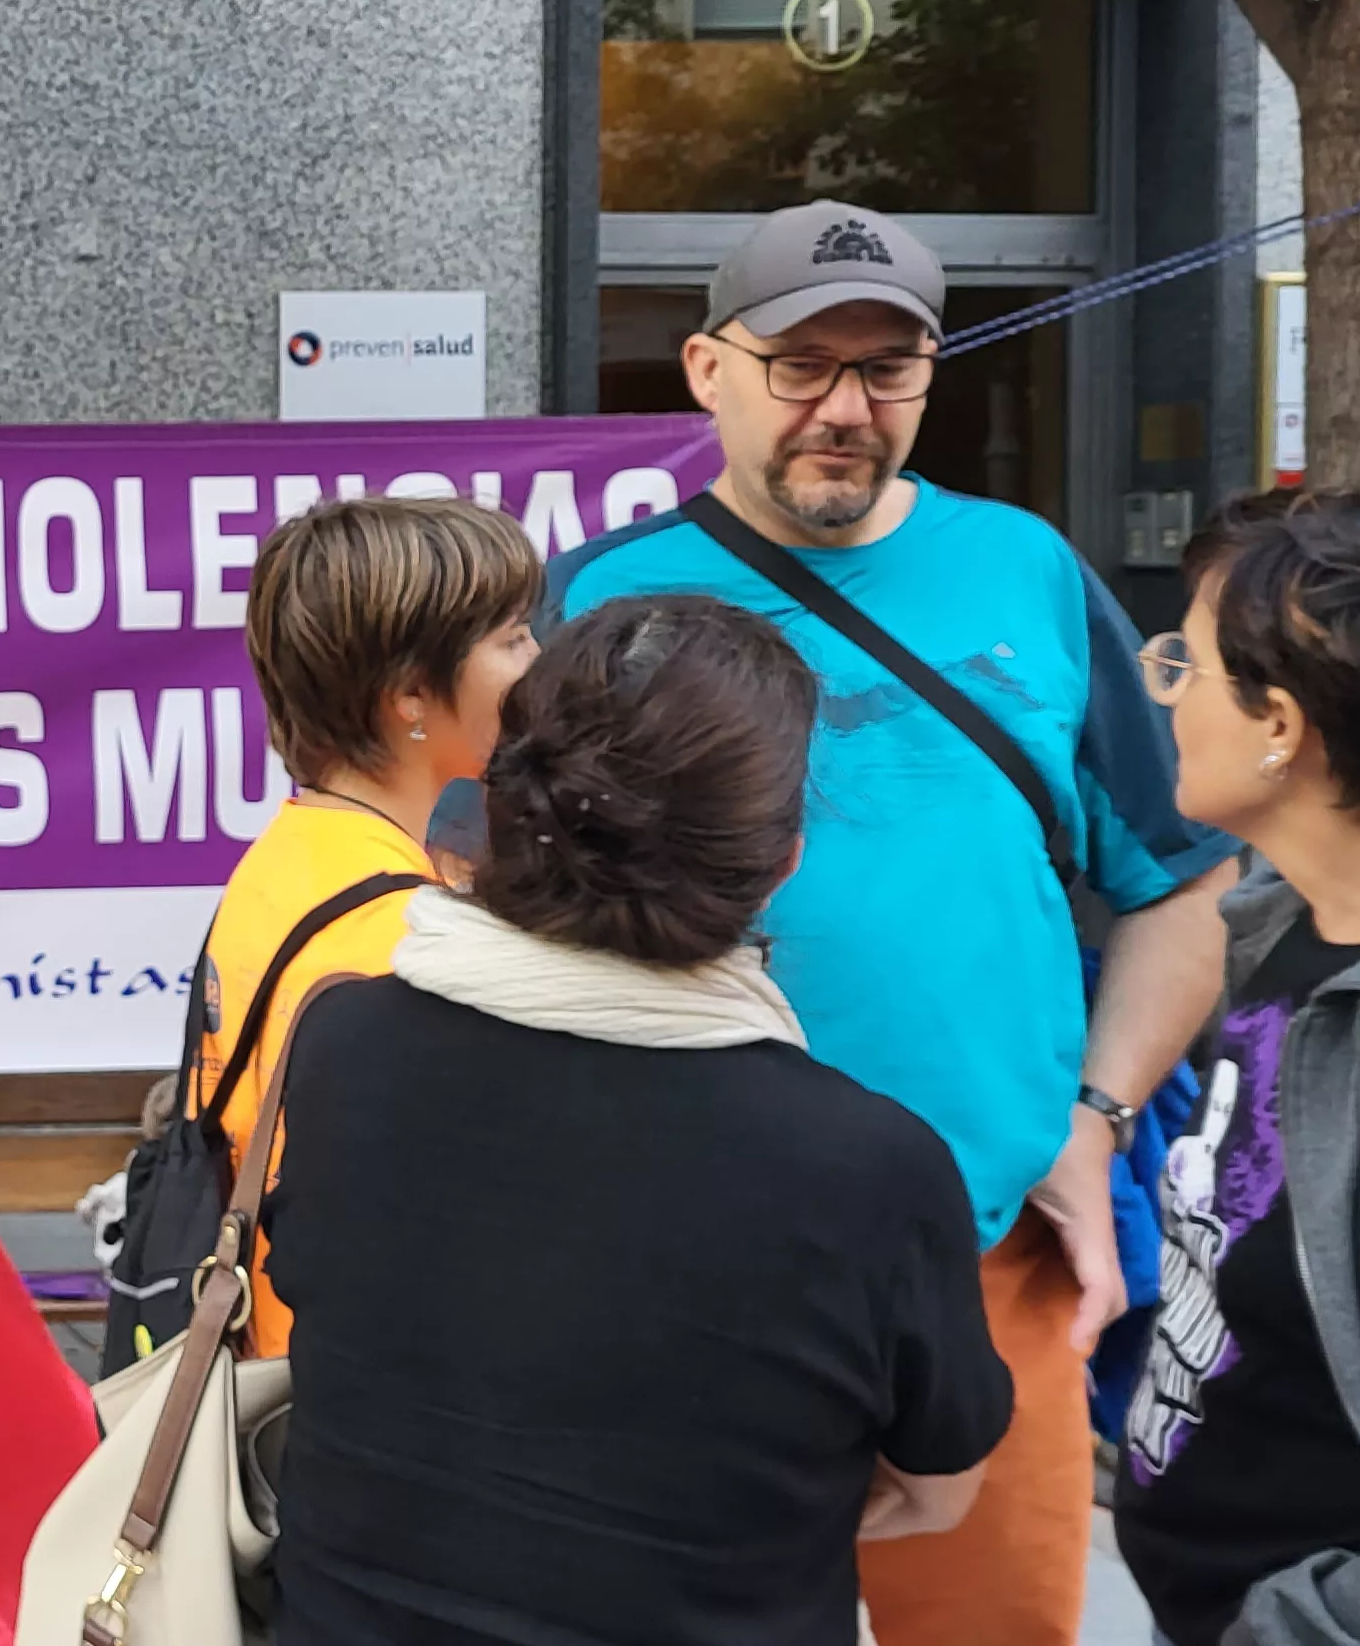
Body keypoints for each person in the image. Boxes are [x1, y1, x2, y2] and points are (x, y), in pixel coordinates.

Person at [531, 200, 1239, 1643]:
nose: (845, 409)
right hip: (680, 1258)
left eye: (887, 367)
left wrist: (1097, 1119)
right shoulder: (602, 599)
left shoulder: (1028, 571)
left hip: (990, 1245)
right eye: (800, 364)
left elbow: (1182, 879)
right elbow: (505, 905)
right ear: (707, 370)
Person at [268, 594, 1014, 1644]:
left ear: (498, 804)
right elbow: (938, 1488)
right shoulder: (869, 1169)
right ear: (783, 860)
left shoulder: (342, 1045)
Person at [1113, 490, 1360, 1645]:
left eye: (1184, 663)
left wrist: (1301, 1624)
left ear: (1279, 724)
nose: (1162, 691)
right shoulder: (1285, 924)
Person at [185, 494, 538, 1355]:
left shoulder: (295, 852)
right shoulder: (400, 933)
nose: (538, 663)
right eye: (513, 639)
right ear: (410, 695)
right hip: (338, 1376)